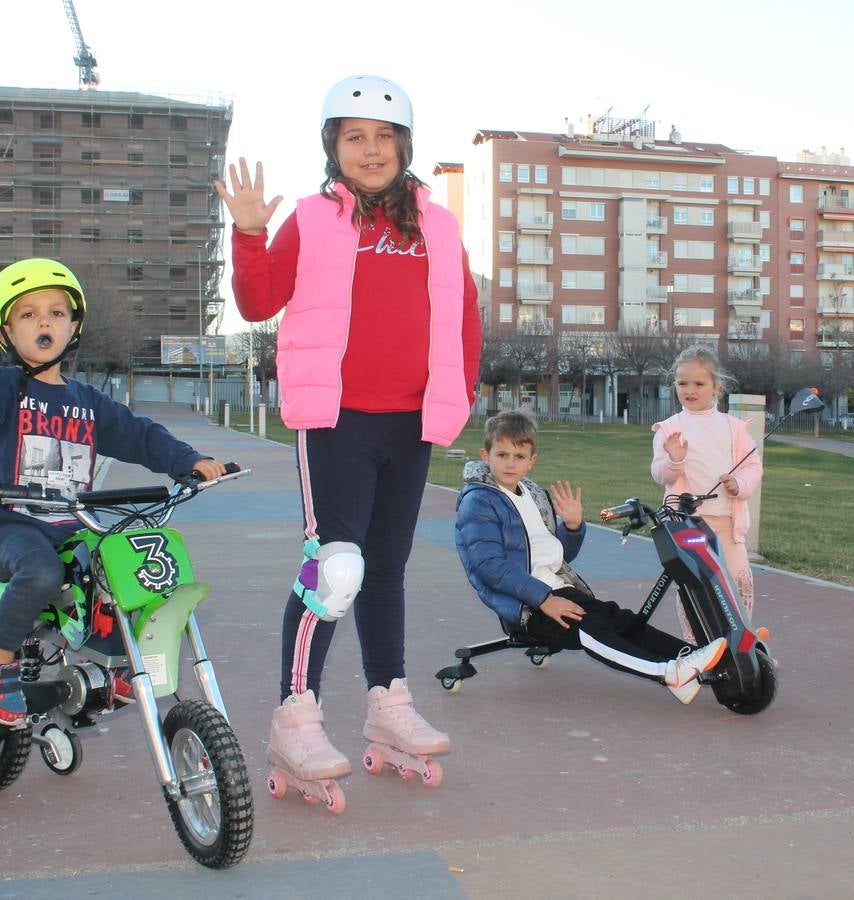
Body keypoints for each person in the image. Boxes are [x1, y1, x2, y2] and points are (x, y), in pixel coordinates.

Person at [215, 75, 482, 796]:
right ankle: (295, 713)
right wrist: (248, 231)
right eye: (355, 136)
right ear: (333, 147)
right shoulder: (313, 218)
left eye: (385, 137)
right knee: (335, 568)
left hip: (411, 420)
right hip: (336, 419)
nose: (371, 149)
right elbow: (258, 298)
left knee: (388, 568)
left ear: (405, 147)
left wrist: (454, 399)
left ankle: (388, 702)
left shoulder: (439, 226)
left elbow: (464, 318)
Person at [0, 258, 226, 726]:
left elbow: (139, 435)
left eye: (56, 312)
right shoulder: (2, 386)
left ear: (73, 326)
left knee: (127, 565)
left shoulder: (87, 401)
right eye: (28, 313)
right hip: (13, 521)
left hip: (71, 521)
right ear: (7, 330)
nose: (44, 321)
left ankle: (120, 664)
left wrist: (187, 461)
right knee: (39, 572)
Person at [454, 411, 727, 703]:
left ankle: (692, 658)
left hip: (557, 590)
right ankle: (669, 673)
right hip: (526, 606)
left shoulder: (532, 495)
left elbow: (554, 557)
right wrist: (543, 599)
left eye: (519, 456)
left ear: (532, 460)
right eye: (502, 454)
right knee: (592, 630)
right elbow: (488, 566)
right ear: (486, 455)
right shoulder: (479, 501)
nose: (510, 463)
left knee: (620, 620)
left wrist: (572, 527)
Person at [651, 345, 762, 617]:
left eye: (699, 383)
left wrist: (739, 483)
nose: (690, 390)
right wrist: (674, 460)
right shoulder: (668, 430)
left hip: (727, 524)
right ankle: (697, 644)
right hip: (688, 526)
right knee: (695, 588)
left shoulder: (733, 428)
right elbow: (659, 474)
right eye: (682, 383)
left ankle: (742, 642)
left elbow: (752, 465)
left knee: (740, 583)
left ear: (717, 387)